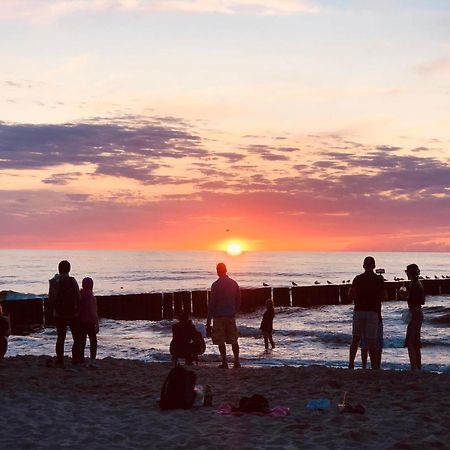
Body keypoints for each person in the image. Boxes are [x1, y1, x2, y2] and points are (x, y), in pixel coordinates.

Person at [348, 256, 385, 370]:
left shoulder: (357, 278)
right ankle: (374, 367)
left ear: (363, 266)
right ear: (374, 266)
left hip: (359, 311)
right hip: (372, 312)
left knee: (355, 339)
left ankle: (351, 363)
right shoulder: (378, 279)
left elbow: (350, 295)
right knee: (371, 341)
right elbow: (384, 296)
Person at [206, 263, 241, 368]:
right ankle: (236, 361)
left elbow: (212, 303)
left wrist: (208, 319)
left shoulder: (216, 285)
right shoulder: (234, 283)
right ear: (226, 270)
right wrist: (234, 310)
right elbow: (239, 299)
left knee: (221, 341)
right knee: (234, 340)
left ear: (218, 271)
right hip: (230, 315)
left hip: (219, 316)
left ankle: (225, 362)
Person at [48, 260, 82, 366]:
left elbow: (50, 299)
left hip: (59, 314)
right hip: (73, 314)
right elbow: (78, 296)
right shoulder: (72, 280)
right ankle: (75, 360)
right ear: (69, 269)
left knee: (60, 338)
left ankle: (60, 360)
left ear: (59, 269)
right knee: (76, 337)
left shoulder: (54, 282)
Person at [401, 263, 425, 370]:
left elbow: (413, 299)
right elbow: (422, 301)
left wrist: (405, 296)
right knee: (416, 341)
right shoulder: (418, 283)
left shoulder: (413, 284)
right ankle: (418, 366)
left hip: (415, 313)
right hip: (418, 312)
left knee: (410, 341)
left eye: (407, 272)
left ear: (410, 273)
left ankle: (414, 367)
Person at [78, 277, 99, 363]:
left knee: (81, 341)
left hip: (80, 321)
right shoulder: (91, 297)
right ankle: (92, 359)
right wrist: (97, 324)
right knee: (93, 341)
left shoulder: (79, 295)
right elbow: (93, 312)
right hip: (89, 322)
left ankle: (81, 359)